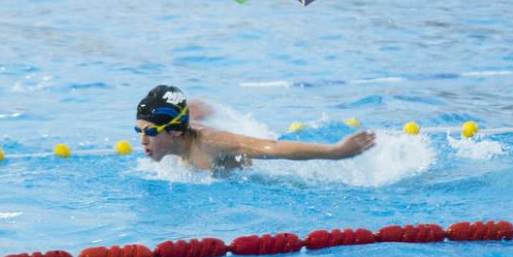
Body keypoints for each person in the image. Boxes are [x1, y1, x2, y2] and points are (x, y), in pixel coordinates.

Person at [135, 85, 376, 170]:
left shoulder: (210, 143)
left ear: (175, 131)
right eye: (140, 131)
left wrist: (336, 152)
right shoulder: (173, 140)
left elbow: (272, 147)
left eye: (151, 132)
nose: (143, 141)